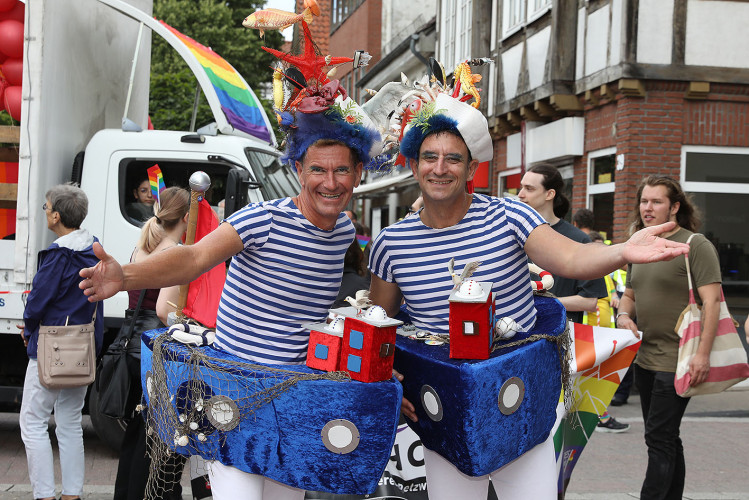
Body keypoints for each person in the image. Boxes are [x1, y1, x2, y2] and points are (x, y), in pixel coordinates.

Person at [367, 71, 689, 499]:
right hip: (444, 410)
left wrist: (622, 252)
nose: (440, 169)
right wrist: (391, 378)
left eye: (453, 159)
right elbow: (378, 324)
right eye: (430, 157)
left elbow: (572, 257)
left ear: (471, 168)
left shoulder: (509, 217)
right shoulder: (391, 242)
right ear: (413, 164)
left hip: (522, 401)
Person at [79, 75, 381, 499]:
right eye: (317, 169)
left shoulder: (344, 230)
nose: (330, 182)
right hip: (234, 400)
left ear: (358, 172)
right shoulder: (263, 220)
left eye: (341, 170)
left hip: (291, 399)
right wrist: (125, 276)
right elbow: (194, 257)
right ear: (297, 169)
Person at [615, 175, 721, 500]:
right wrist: (622, 315)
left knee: (659, 439)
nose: (647, 208)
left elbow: (713, 301)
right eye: (644, 201)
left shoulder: (694, 245)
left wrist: (702, 355)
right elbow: (629, 296)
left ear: (674, 206)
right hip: (645, 358)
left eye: (656, 201)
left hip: (678, 360)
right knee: (666, 438)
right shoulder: (637, 243)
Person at [18, 184, 104, 500]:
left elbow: (38, 300)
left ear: (56, 215)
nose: (45, 212)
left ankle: (44, 495)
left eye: (45, 207)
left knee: (32, 421)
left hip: (51, 345)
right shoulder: (94, 248)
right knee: (69, 422)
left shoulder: (58, 255)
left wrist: (28, 326)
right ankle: (72, 494)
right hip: (82, 346)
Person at [114, 187, 190, 500]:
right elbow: (162, 310)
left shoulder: (141, 247)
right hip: (156, 352)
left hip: (132, 346)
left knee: (136, 433)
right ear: (187, 217)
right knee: (156, 439)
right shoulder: (175, 252)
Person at [518, 165, 609, 326]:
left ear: (550, 194)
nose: (520, 194)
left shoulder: (578, 239)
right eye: (521, 187)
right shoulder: (513, 233)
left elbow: (589, 301)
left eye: (529, 189)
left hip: (560, 336)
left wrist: (542, 304)